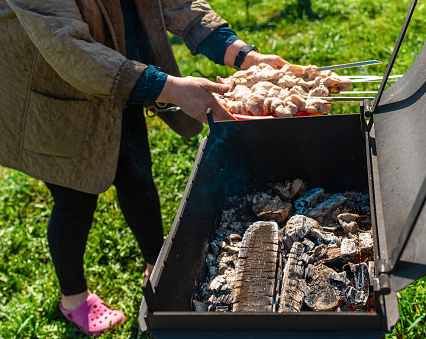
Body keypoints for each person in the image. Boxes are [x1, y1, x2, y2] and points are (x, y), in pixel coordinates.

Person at [0, 0, 288, 336]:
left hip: (124, 80)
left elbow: (177, 3)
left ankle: (156, 265)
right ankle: (74, 298)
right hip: (57, 92)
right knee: (74, 201)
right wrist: (171, 88)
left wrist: (244, 56)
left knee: (137, 175)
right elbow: (68, 47)